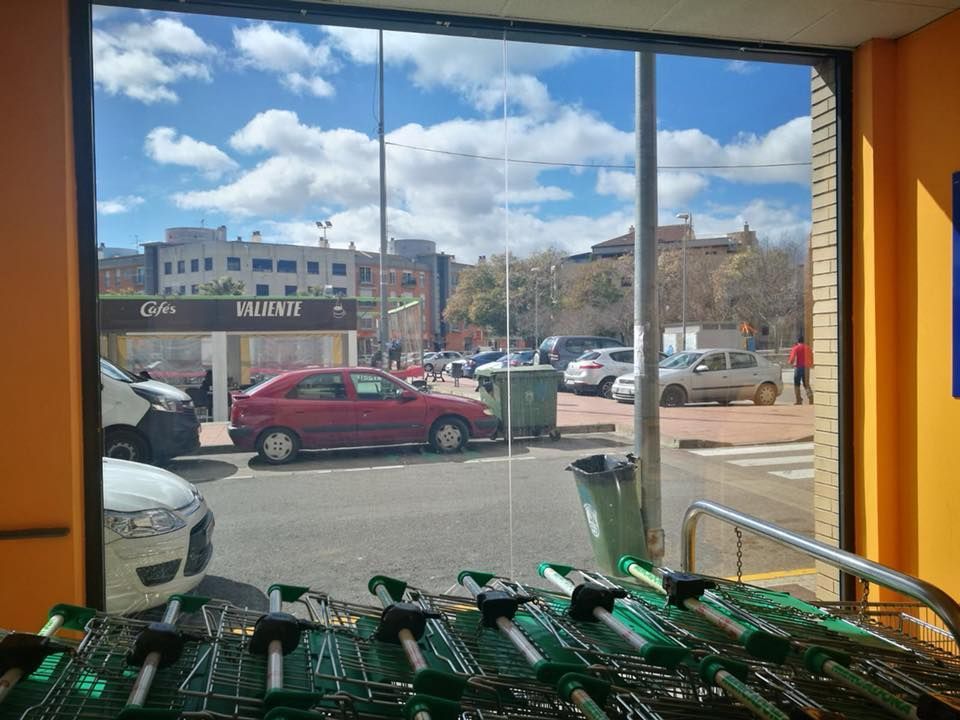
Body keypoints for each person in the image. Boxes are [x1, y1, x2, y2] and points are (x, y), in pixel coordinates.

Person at [788, 335, 814, 405]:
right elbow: (812, 357)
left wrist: (790, 362)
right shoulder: (808, 348)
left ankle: (798, 399)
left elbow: (792, 358)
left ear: (798, 341)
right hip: (806, 368)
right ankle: (811, 398)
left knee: (797, 384)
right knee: (806, 384)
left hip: (798, 368)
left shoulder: (795, 348)